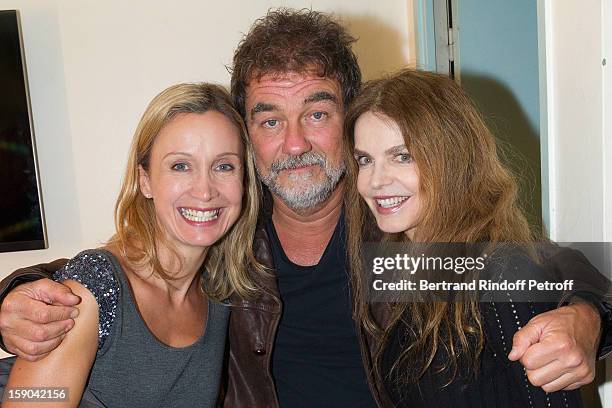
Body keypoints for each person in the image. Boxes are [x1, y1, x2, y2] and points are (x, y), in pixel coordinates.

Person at [0, 9, 608, 407]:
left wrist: (589, 318)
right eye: (270, 120)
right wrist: (12, 298)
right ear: (248, 133)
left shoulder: (400, 232)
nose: (294, 143)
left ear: (348, 117)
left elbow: (557, 272)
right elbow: (117, 275)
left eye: (316, 114)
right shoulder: (223, 238)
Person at [343, 68, 595, 407]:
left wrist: (591, 313)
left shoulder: (502, 271)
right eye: (365, 160)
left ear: (451, 160)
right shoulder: (409, 267)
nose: (375, 181)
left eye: (402, 156)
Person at [2, 83, 263, 407]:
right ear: (145, 179)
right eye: (180, 165)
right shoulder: (92, 291)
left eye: (224, 166)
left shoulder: (220, 292)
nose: (205, 189)